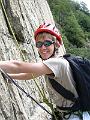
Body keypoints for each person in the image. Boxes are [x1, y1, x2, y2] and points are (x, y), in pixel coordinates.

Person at [0, 22, 90, 120]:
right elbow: (30, 75)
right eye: (39, 44)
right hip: (73, 115)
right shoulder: (54, 65)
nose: (43, 47)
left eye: (47, 43)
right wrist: (10, 76)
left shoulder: (57, 63)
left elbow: (17, 66)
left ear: (56, 45)